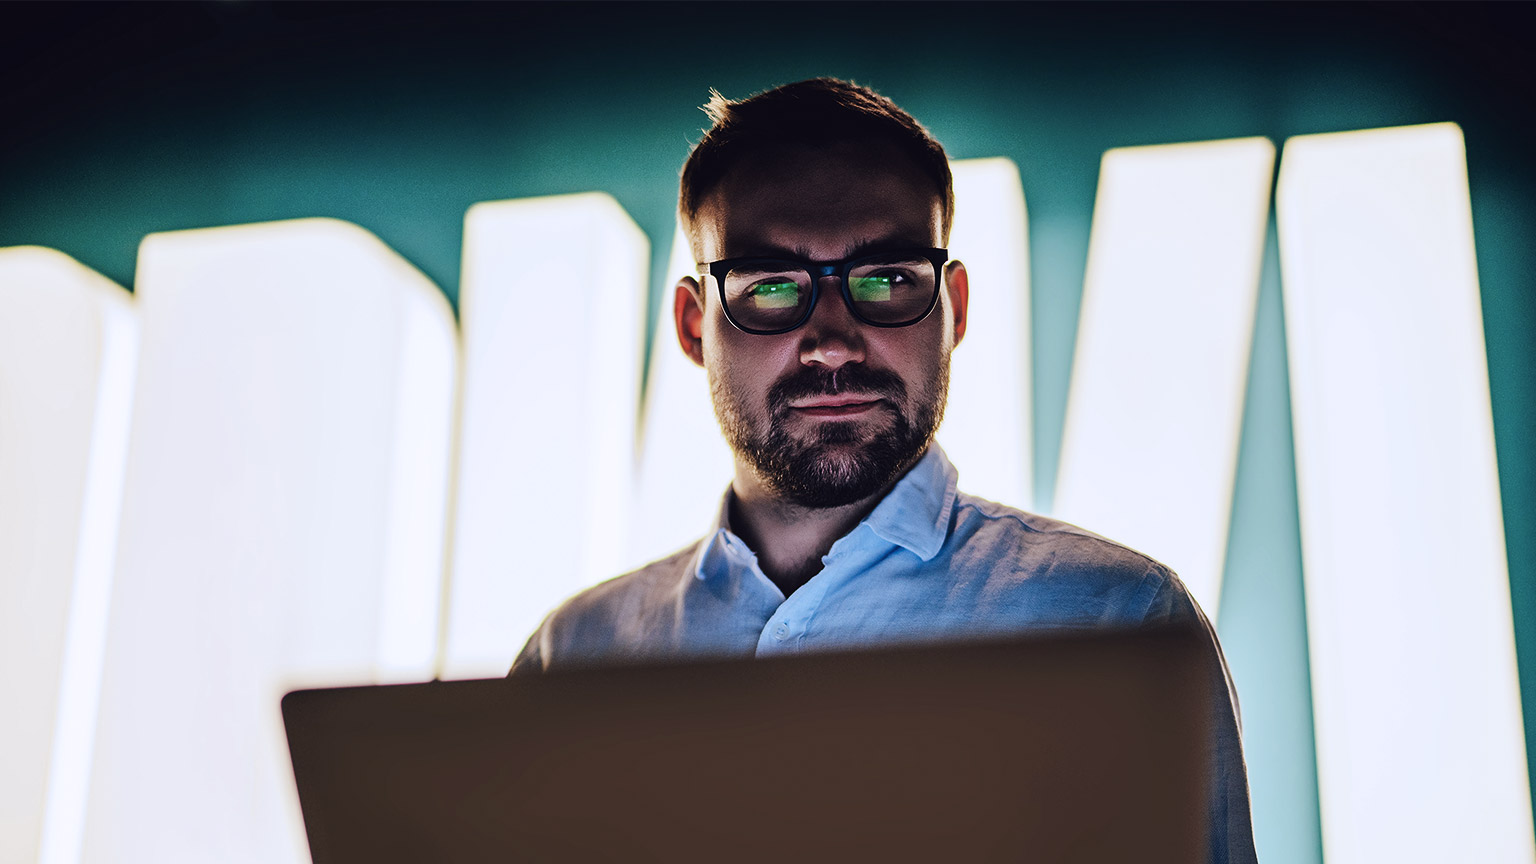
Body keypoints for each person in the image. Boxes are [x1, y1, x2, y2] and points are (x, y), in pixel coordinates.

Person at [511, 77, 1256, 863]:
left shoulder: (1121, 626)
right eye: (770, 286)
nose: (833, 341)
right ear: (696, 325)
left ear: (954, 310)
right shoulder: (571, 663)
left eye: (887, 279)